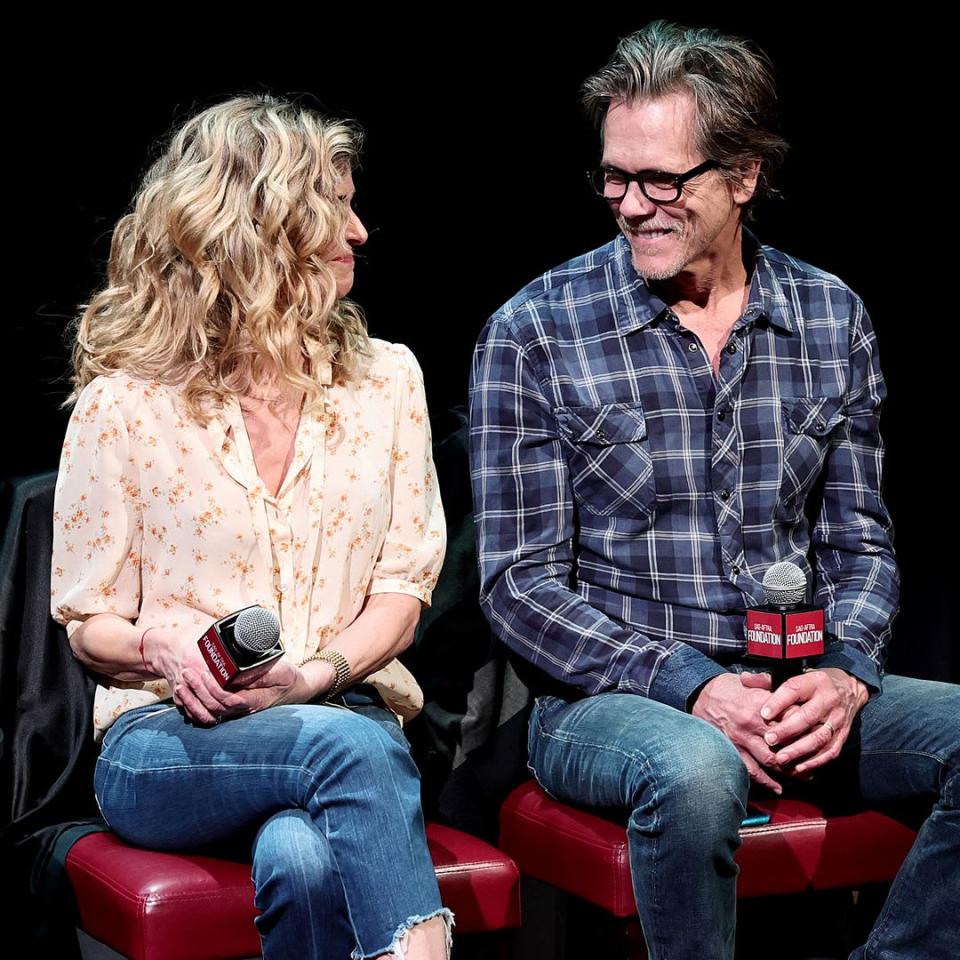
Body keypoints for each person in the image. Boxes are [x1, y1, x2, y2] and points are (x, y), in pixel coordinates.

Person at [469, 21, 958, 959]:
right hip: (608, 701)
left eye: (664, 180)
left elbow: (859, 541)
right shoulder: (536, 330)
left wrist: (847, 672)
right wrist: (693, 687)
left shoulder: (830, 315)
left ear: (743, 176)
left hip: (793, 675)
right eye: (616, 177)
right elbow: (518, 587)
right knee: (695, 770)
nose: (632, 205)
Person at [51, 94, 452, 960]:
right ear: (261, 228)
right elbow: (90, 626)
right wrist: (160, 644)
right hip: (167, 743)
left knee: (305, 860)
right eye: (335, 206)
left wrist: (314, 675)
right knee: (349, 753)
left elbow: (402, 591)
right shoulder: (123, 404)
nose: (360, 231)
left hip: (342, 713)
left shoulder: (386, 382)